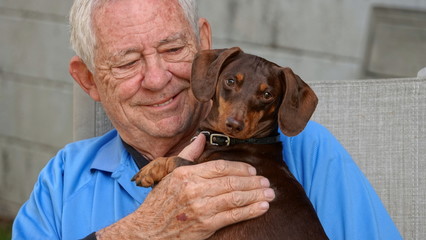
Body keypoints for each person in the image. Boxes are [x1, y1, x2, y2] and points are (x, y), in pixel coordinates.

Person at [12, 0, 402, 239]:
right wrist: (140, 233)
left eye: (173, 48)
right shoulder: (63, 182)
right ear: (88, 80)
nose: (158, 78)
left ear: (203, 43)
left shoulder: (307, 152)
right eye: (128, 62)